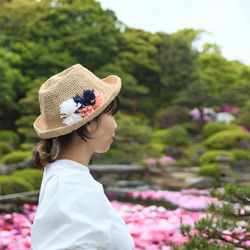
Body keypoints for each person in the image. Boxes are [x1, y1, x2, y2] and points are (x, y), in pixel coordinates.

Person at [31, 64, 135, 250]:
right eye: (111, 114)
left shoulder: (62, 176)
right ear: (88, 122)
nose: (116, 125)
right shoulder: (73, 185)